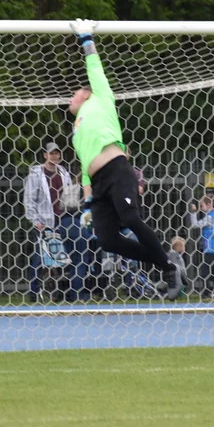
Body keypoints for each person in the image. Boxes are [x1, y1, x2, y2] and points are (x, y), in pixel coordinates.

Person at [67, 19, 183, 300]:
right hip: (98, 184)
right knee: (106, 240)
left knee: (131, 218)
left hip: (118, 171)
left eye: (74, 93)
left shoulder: (101, 98)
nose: (70, 98)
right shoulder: (76, 131)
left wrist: (86, 39)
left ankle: (168, 270)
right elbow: (85, 169)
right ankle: (165, 263)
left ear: (86, 94)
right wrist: (86, 202)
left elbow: (94, 67)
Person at [23, 141, 89, 302]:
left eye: (57, 153)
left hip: (63, 220)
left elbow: (67, 196)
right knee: (40, 259)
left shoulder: (63, 173)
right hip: (44, 222)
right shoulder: (36, 174)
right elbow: (29, 200)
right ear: (45, 155)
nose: (55, 156)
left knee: (73, 252)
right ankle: (33, 293)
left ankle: (71, 293)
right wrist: (35, 221)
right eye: (52, 153)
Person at [187, 194, 214, 298]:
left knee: (205, 272)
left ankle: (206, 293)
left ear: (209, 204)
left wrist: (193, 212)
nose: (201, 208)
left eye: (202, 206)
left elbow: (195, 225)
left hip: (211, 249)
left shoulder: (210, 217)